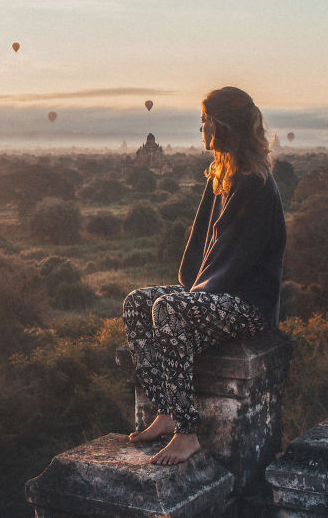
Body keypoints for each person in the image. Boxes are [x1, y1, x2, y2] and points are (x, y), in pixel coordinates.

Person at [121, 86, 286, 465]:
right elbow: (200, 246)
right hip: (217, 291)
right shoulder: (222, 175)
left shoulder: (254, 184)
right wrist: (190, 292)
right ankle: (164, 411)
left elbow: (233, 261)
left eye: (204, 121)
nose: (200, 130)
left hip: (247, 304)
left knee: (168, 310)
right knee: (136, 303)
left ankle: (187, 431)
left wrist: (188, 303)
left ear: (221, 126)